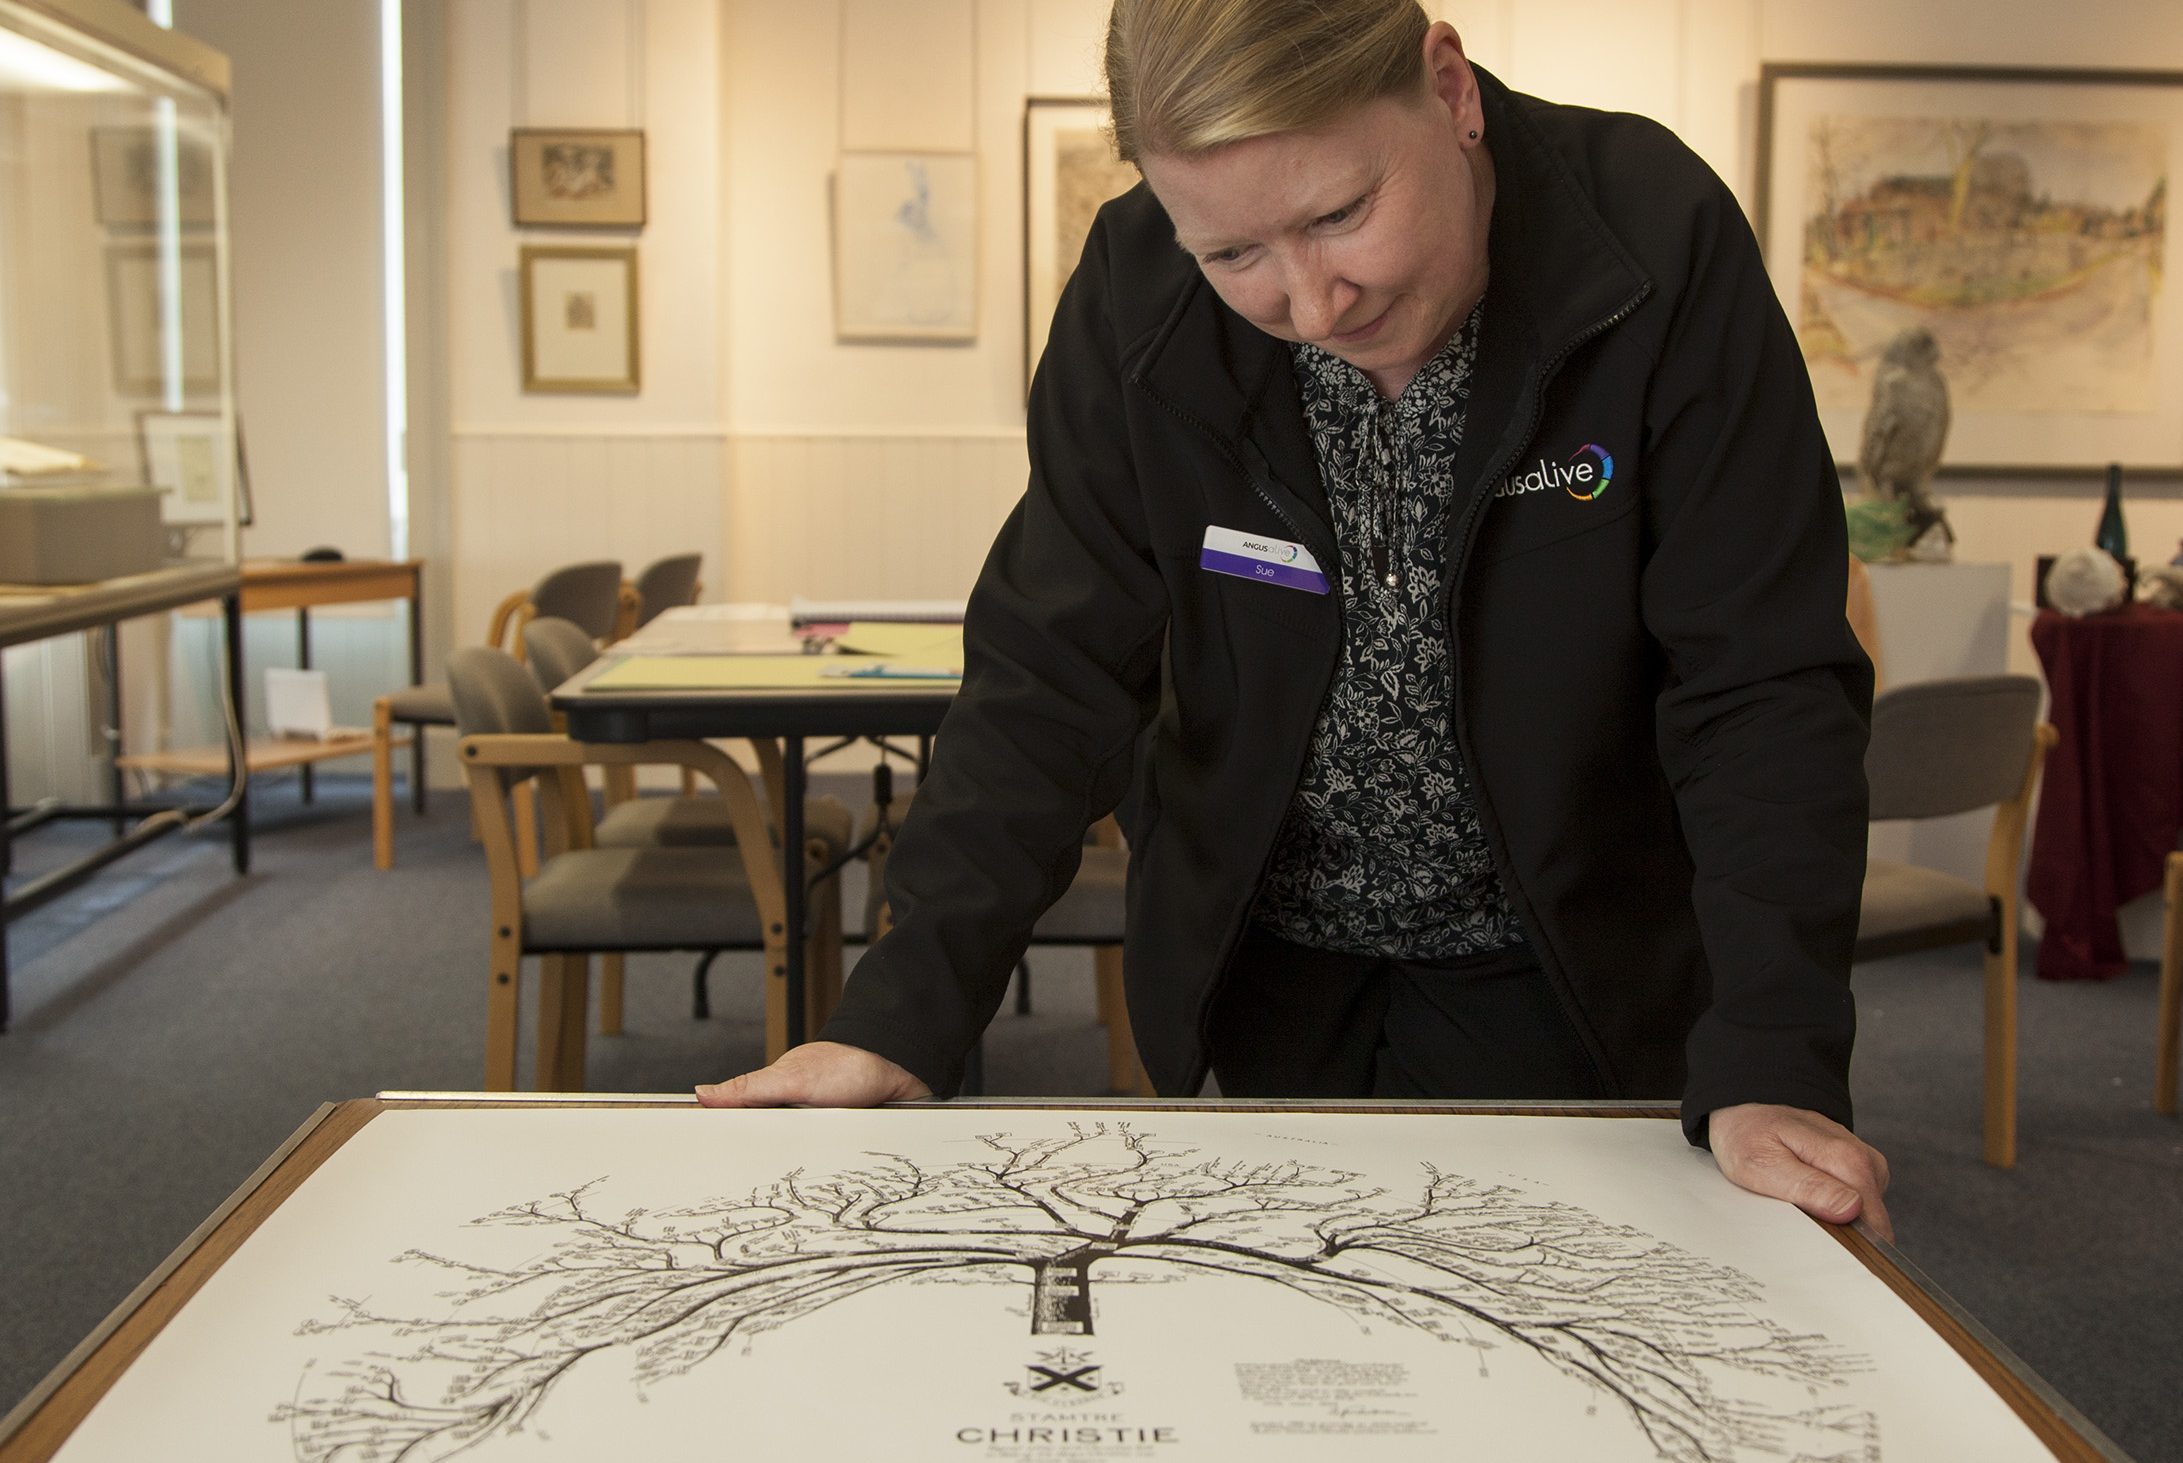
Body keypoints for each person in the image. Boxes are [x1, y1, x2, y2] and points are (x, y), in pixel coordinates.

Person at [701, 0, 1891, 1240]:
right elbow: (1051, 670)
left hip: (1578, 971)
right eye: (1233, 257)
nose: (1312, 305)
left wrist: (1770, 1050)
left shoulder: (1653, 237)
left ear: (1448, 87)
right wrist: (897, 1010)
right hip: (1264, 972)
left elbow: (1757, 677)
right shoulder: (1134, 288)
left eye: (1339, 215)